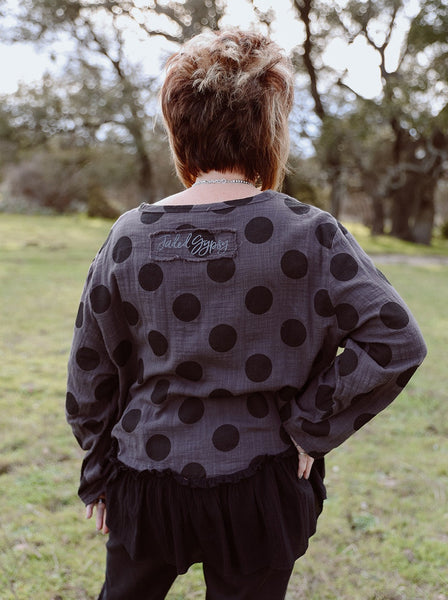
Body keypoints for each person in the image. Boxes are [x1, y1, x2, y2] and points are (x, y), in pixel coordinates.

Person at [66, 28, 427, 600]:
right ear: (271, 131)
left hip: (146, 479)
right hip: (263, 481)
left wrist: (99, 468)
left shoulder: (130, 235)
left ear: (177, 128)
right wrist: (310, 425)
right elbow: (395, 339)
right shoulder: (310, 234)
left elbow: (91, 370)